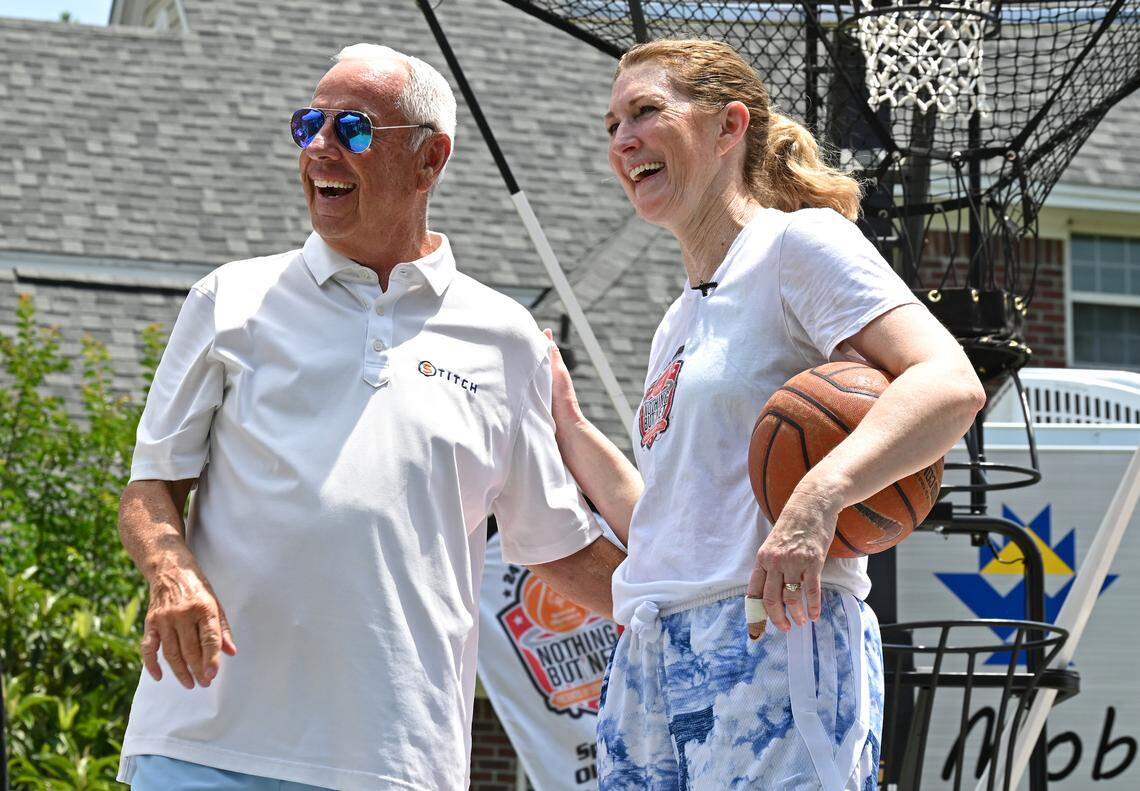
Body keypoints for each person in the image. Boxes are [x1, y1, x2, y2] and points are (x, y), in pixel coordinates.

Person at [115, 43, 623, 791]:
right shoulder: (228, 299)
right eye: (308, 124)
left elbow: (558, 549)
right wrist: (171, 571)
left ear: (429, 159)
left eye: (352, 128)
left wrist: (704, 604)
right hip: (204, 745)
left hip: (398, 761)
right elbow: (150, 486)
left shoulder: (506, 337)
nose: (320, 146)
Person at [545, 39, 986, 789]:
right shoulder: (676, 322)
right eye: (612, 125)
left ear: (729, 126)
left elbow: (949, 382)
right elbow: (669, 519)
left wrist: (819, 496)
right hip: (651, 649)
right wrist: (567, 425)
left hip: (772, 635)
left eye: (645, 112)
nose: (623, 139)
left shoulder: (797, 244)